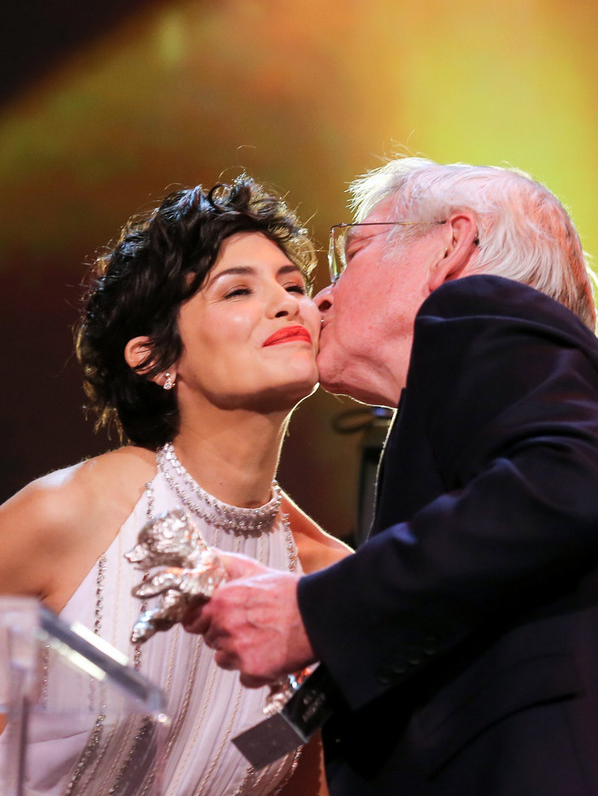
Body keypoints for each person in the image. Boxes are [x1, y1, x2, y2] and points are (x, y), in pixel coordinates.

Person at [184, 155, 598, 795]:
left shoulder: (478, 309)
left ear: (450, 247)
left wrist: (315, 611)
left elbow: (568, 486)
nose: (321, 297)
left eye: (354, 253)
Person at [0, 173, 349, 795]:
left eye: (294, 284)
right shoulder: (76, 513)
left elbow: (299, 776)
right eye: (237, 290)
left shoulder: (328, 581)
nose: (287, 302)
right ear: (156, 358)